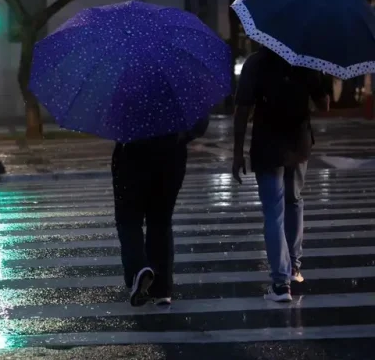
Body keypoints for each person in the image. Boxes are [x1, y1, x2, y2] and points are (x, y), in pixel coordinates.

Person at [232, 47, 329, 303]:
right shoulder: (307, 60)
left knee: (274, 212)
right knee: (294, 200)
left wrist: (237, 152)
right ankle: (294, 267)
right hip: (298, 143)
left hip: (267, 145)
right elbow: (324, 105)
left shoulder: (256, 63)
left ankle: (279, 284)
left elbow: (242, 109)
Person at [112, 117, 209, 307]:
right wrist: (181, 136)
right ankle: (162, 288)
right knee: (161, 220)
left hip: (132, 155)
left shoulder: (125, 89)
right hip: (171, 156)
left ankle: (138, 270)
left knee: (128, 220)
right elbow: (200, 122)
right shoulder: (180, 89)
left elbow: (111, 121)